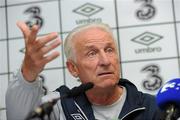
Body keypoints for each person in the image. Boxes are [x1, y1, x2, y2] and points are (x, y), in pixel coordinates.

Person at [6, 21, 162, 120]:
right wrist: (28, 73)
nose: (105, 61)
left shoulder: (153, 107)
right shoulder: (57, 106)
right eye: (92, 53)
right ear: (73, 68)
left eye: (109, 50)